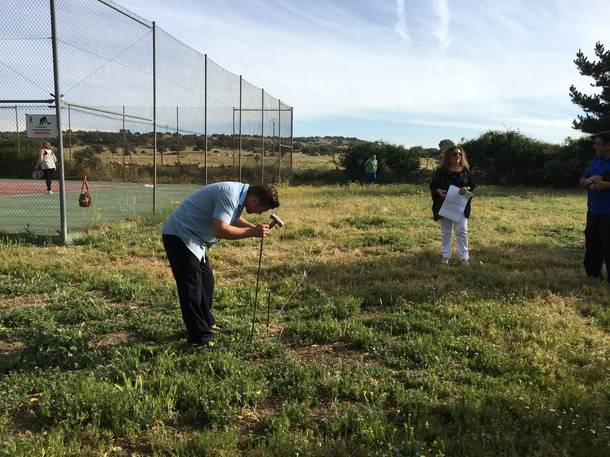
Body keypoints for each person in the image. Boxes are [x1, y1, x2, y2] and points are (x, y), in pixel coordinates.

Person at [162, 182, 280, 350]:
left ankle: (206, 324)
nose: (260, 213)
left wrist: (252, 227)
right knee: (191, 289)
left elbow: (232, 217)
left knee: (206, 282)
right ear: (254, 199)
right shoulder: (230, 194)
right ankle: (198, 340)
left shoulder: (239, 196)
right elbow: (221, 230)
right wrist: (252, 232)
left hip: (195, 240)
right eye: (262, 208)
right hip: (180, 235)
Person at [430, 145, 475, 265]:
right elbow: (433, 185)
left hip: (461, 206)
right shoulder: (441, 171)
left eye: (459, 154)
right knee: (446, 232)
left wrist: (467, 188)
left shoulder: (465, 170)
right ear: (448, 156)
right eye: (454, 154)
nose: (457, 156)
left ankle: (464, 257)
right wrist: (438, 191)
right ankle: (445, 256)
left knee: (462, 230)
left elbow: (472, 184)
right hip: (446, 205)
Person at [579, 131, 610, 282]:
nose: (594, 146)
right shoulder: (596, 160)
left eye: (598, 143)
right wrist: (589, 180)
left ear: (608, 145)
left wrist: (606, 185)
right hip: (593, 211)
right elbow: (581, 181)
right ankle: (593, 275)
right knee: (592, 244)